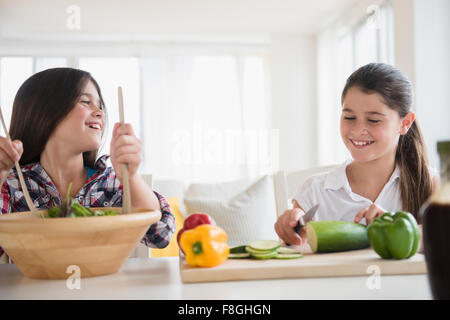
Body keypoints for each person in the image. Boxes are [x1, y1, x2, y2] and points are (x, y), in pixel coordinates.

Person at [0, 67, 175, 262]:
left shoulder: (111, 183)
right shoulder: (11, 185)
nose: (100, 112)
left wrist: (131, 177)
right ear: (44, 112)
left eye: (100, 105)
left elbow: (161, 234)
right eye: (86, 102)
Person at [275, 63, 439, 248]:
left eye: (374, 120)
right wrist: (290, 233)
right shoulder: (314, 192)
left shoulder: (432, 185)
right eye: (349, 118)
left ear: (405, 123)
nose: (358, 130)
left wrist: (401, 228)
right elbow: (294, 254)